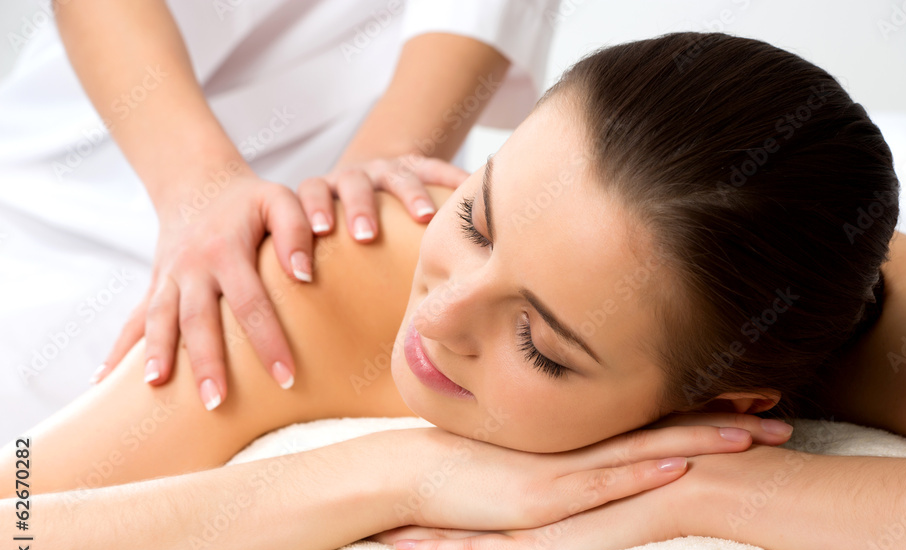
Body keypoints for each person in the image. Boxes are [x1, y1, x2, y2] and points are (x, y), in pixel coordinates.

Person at [2, 32, 906, 550]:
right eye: (476, 217)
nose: (439, 317)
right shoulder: (338, 280)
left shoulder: (901, 324)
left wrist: (699, 489)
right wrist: (396, 470)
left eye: (538, 337)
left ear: (730, 401)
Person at [0, 0, 558, 440]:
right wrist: (199, 187)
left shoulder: (377, 250)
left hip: (347, 201)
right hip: (79, 160)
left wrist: (381, 163)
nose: (441, 320)